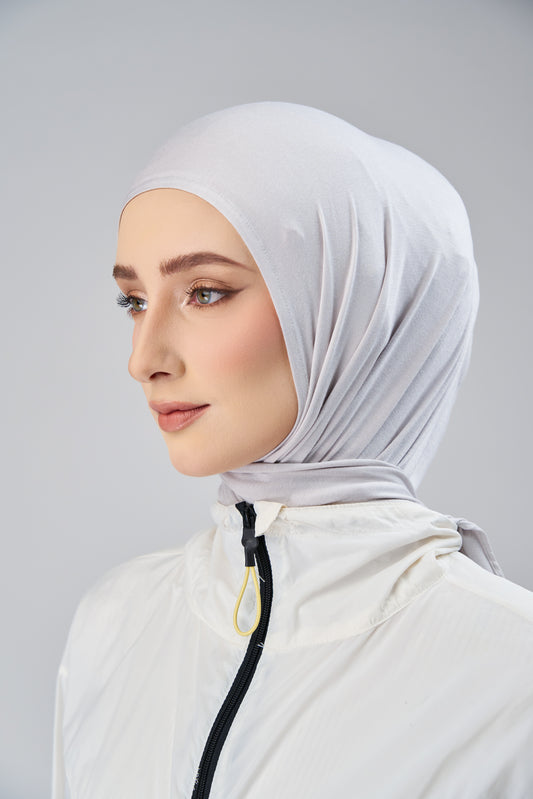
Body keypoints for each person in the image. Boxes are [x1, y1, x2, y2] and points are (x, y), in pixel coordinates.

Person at [52, 101, 533, 798]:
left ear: (358, 313)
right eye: (134, 300)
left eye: (205, 292)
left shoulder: (512, 675)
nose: (143, 359)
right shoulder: (113, 623)